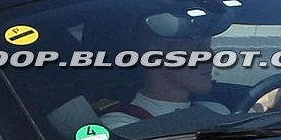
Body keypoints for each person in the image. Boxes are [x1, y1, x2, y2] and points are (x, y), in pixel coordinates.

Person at [97, 36, 230, 130]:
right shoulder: (121, 125)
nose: (211, 56)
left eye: (208, 46)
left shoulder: (216, 110)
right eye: (197, 47)